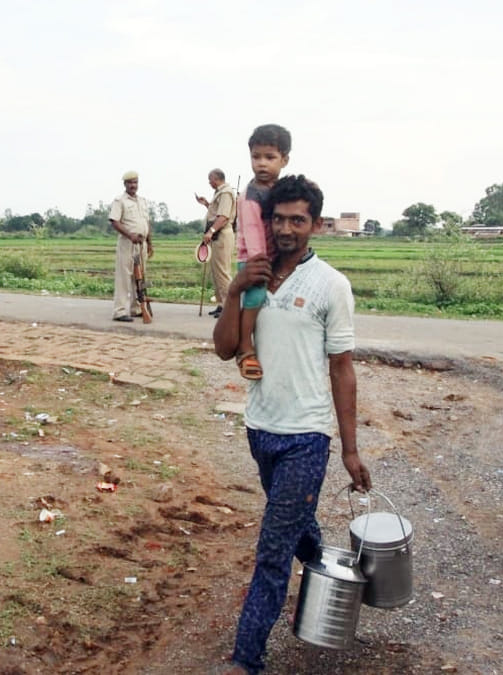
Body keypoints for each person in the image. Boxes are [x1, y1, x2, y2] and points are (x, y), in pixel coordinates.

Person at [212, 175, 372, 675]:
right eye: (278, 218)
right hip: (260, 429)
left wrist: (349, 450)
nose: (286, 228)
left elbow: (341, 368)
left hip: (307, 436)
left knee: (272, 551)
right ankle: (332, 569)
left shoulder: (330, 285)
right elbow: (223, 348)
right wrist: (237, 287)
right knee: (295, 526)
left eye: (297, 220)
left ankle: (247, 659)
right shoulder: (252, 277)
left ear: (315, 225)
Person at [233, 124, 291, 379]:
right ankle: (245, 347)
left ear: (284, 160)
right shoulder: (251, 196)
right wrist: (259, 264)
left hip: (274, 256)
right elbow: (254, 234)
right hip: (254, 259)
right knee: (255, 298)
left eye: (270, 157)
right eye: (256, 157)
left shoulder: (278, 189)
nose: (262, 164)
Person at [108, 170, 154, 322]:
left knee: (140, 277)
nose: (133, 185)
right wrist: (130, 235)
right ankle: (120, 311)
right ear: (125, 184)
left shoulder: (142, 201)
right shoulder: (119, 201)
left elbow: (146, 222)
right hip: (128, 243)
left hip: (142, 244)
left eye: (135, 183)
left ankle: (137, 308)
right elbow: (115, 221)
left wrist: (150, 242)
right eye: (130, 183)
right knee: (124, 277)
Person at [194, 168, 237, 318]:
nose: (209, 182)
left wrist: (211, 231)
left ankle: (230, 306)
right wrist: (207, 204)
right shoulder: (219, 192)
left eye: (210, 179)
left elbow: (223, 216)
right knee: (216, 272)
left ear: (216, 178)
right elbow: (216, 213)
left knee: (222, 272)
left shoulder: (225, 192)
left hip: (221, 235)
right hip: (216, 236)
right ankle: (221, 303)